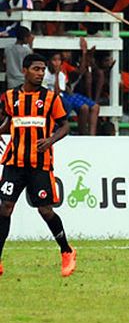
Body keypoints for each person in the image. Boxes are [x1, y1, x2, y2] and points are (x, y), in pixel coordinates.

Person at [0, 53, 76, 277]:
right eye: (36, 69)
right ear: (24, 70)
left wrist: (50, 140)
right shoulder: (10, 96)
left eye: (43, 69)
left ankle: (66, 251)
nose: (41, 73)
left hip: (39, 163)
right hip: (14, 162)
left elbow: (65, 126)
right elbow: (9, 122)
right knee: (5, 208)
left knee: (45, 210)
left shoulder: (51, 99)